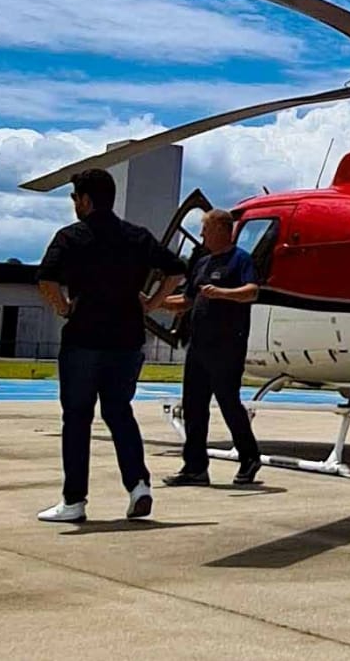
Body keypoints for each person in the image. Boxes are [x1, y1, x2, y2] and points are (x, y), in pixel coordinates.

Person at [35, 168, 187, 523]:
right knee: (119, 412)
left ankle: (74, 500)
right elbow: (176, 271)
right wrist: (150, 303)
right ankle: (138, 485)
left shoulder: (71, 237)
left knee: (77, 418)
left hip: (84, 338)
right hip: (127, 339)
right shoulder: (136, 236)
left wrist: (64, 308)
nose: (74, 205)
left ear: (85, 200)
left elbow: (46, 279)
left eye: (75, 198)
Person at [161, 209, 263, 487]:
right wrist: (155, 301)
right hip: (199, 345)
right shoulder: (203, 263)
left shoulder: (240, 260)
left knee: (229, 402)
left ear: (221, 228)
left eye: (205, 228)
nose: (202, 234)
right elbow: (188, 299)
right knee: (193, 406)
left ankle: (249, 457)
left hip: (227, 346)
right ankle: (194, 467)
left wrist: (222, 293)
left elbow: (252, 291)